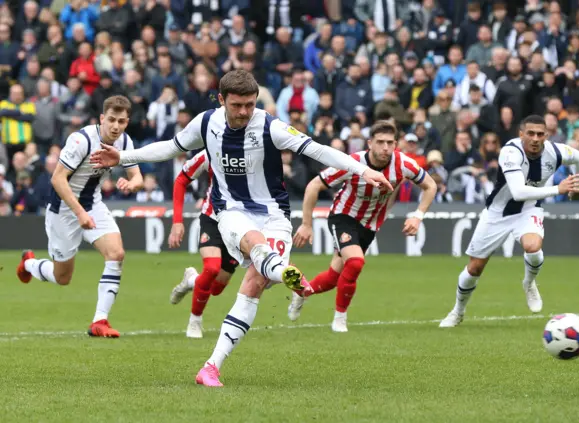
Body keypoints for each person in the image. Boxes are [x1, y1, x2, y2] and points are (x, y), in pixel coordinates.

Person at [89, 70, 392, 387]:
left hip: (274, 214)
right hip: (231, 210)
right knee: (254, 244)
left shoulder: (270, 126)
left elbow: (316, 149)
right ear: (222, 100)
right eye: (238, 105)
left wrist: (362, 170)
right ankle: (284, 272)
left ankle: (211, 366)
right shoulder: (207, 123)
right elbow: (170, 147)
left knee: (253, 286)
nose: (245, 112)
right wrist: (123, 157)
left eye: (250, 104)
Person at [289, 120, 438, 332]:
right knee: (356, 262)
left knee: (333, 277)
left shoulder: (403, 164)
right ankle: (340, 318)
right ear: (370, 143)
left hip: (369, 225)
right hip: (343, 216)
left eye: (389, 143)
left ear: (396, 144)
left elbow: (430, 186)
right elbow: (314, 186)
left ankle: (301, 292)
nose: (385, 148)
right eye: (380, 142)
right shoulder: (353, 162)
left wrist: (418, 216)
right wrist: (306, 224)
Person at [438, 115, 579, 328]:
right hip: (497, 213)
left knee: (533, 247)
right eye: (531, 133)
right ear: (521, 134)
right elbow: (517, 192)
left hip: (529, 209)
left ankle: (528, 282)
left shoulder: (555, 152)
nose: (535, 138)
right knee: (474, 268)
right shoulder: (510, 152)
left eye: (540, 134)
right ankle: (457, 312)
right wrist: (559, 189)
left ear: (546, 135)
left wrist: (577, 184)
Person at [16, 95, 143, 338]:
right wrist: (79, 213)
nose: (117, 127)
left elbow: (137, 177)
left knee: (116, 254)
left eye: (123, 122)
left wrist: (132, 184)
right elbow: (57, 179)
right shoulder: (81, 140)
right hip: (64, 210)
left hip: (92, 204)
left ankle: (100, 321)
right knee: (62, 277)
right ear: (102, 118)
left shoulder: (125, 141)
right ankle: (29, 263)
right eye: (113, 120)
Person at [167, 150, 239, 339]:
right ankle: (195, 320)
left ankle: (191, 280)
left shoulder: (256, 151)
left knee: (216, 288)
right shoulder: (211, 151)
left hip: (241, 224)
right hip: (212, 218)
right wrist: (177, 221)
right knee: (212, 268)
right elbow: (182, 179)